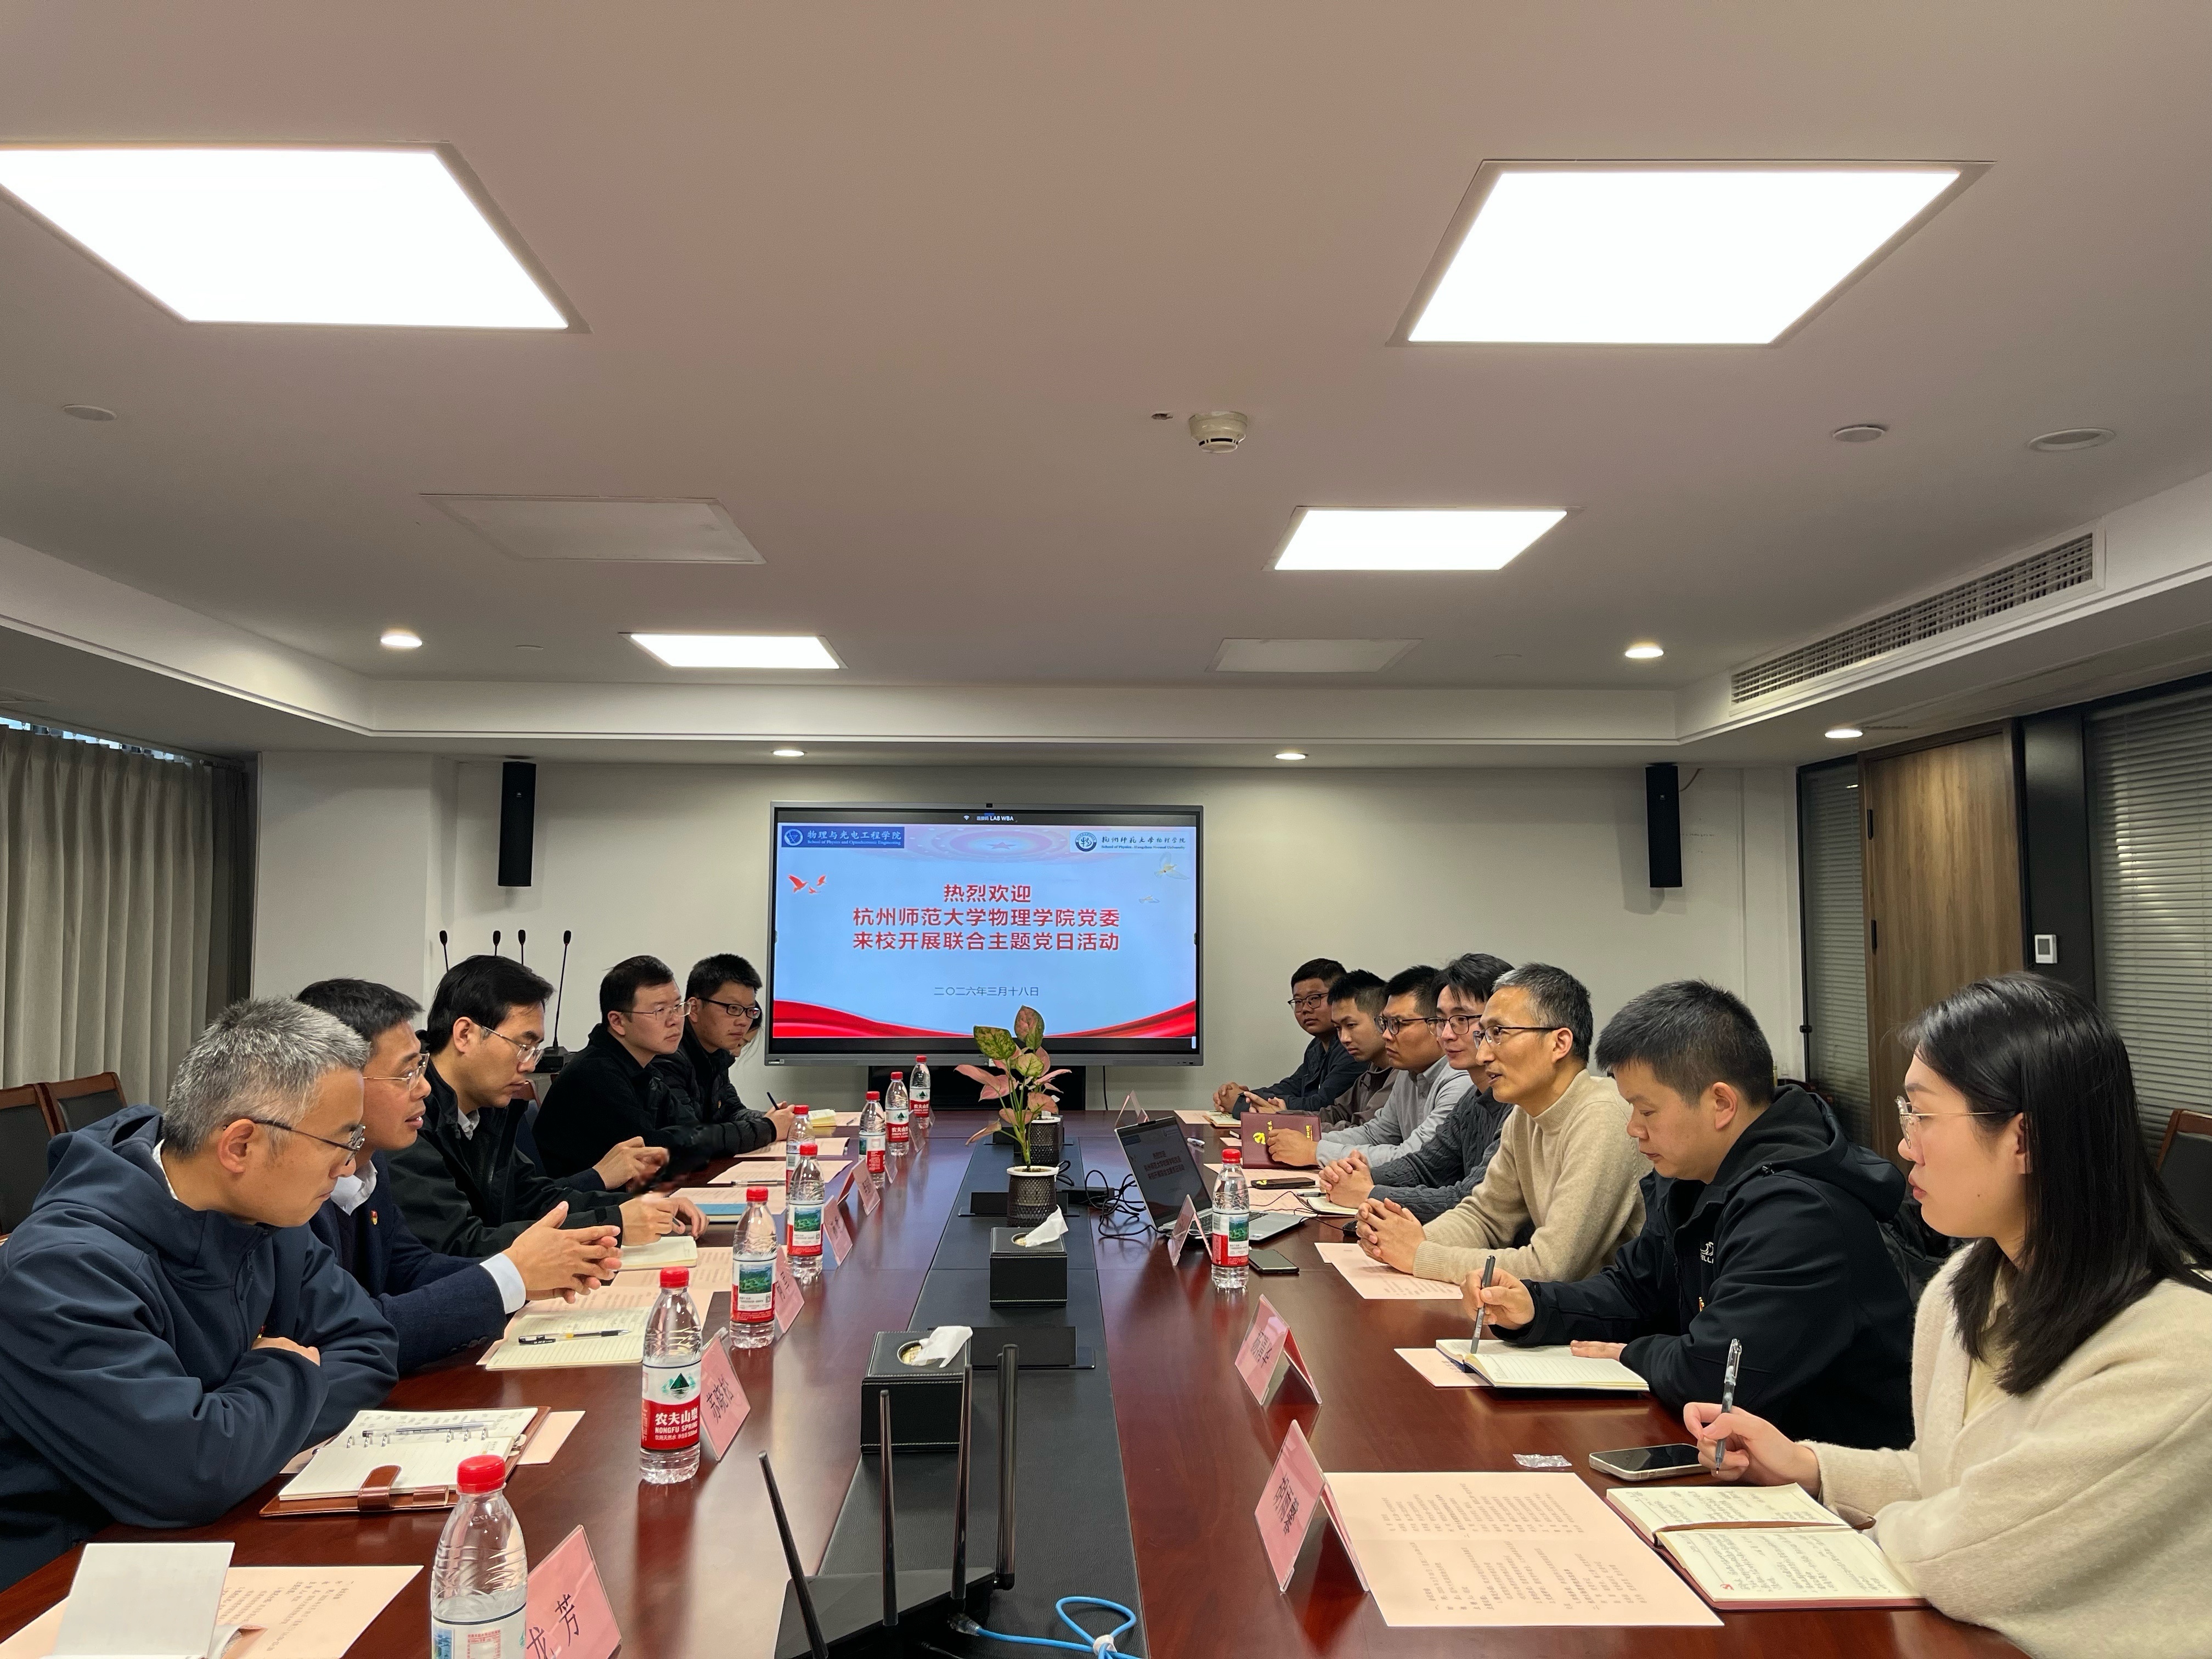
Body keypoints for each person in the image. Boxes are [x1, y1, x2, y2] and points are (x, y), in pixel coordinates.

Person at [1686, 974, 2211, 1656]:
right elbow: (1949, 1482)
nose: (1906, 1144)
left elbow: (1982, 1553)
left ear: (2024, 1139)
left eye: (1923, 1115)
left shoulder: (2176, 1347)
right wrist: (1810, 1468)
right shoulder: (1965, 1287)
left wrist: (1874, 1528)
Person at [0, 1000, 398, 1588]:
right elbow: (188, 1473)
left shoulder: (267, 1212)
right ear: (240, 1146)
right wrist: (284, 1370)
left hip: (209, 1537)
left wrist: (234, 1422)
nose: (347, 1167)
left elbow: (369, 1346)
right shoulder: (61, 1269)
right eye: (340, 1141)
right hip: (61, 1580)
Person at [1470, 980, 1913, 1448]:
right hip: (1729, 1451)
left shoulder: (1799, 1211)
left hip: (1823, 1474)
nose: (1633, 1129)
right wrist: (1536, 1307)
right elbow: (1635, 1292)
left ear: (1720, 1104)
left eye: (1646, 1111)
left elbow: (1716, 1374)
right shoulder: (1693, 1177)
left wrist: (1632, 1354)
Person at [297, 979, 623, 1372]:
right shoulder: (292, 1196)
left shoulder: (371, 1164)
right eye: (406, 1073)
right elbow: (354, 1329)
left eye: (421, 1067)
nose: (424, 1088)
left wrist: (525, 1276)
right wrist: (509, 1276)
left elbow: (412, 1268)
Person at [388, 956, 702, 1257]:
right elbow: (460, 1245)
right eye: (522, 1046)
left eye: (535, 1050)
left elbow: (531, 1199)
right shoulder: (408, 1118)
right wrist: (615, 1222)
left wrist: (637, 1207)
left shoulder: (486, 1108)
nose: (529, 1065)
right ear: (465, 1035)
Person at [1357, 962, 1645, 1285]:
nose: (1483, 1055)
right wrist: (1407, 1240)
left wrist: (1421, 1255)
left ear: (1559, 1043)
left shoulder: (1600, 1115)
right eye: (1484, 1035)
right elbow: (1485, 1218)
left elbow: (1552, 1267)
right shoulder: (1526, 1114)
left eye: (1498, 1034)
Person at [536, 954, 792, 1178]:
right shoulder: (597, 1075)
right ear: (618, 1022)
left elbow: (693, 1135)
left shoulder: (643, 1069)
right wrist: (767, 1128)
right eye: (659, 1011)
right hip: (576, 1210)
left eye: (677, 1007)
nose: (675, 1021)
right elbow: (657, 1153)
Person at [1319, 953, 1513, 1221]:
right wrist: (1357, 1178)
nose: (1446, 1034)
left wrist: (1369, 1191)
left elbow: (1472, 1200)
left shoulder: (1516, 1103)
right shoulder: (1473, 1097)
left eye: (1461, 1020)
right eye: (1441, 1021)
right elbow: (1424, 1166)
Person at [1314, 967, 1469, 1167]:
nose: (1386, 1035)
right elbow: (1375, 1134)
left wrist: (1315, 1151)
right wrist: (1310, 1141)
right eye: (1385, 1023)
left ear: (1436, 1024)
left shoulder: (1461, 1080)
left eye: (1398, 1024)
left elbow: (1414, 1158)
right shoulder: (1408, 1072)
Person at [1211, 957, 1364, 1116]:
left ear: (1339, 998)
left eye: (1314, 999)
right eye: (1298, 1001)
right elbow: (1291, 1087)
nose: (1305, 1009)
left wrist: (1240, 1102)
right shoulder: (1316, 1046)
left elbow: (1321, 1106)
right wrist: (1246, 1096)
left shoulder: (1352, 1047)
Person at [1318, 969, 1392, 1127]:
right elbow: (1336, 1113)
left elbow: (1366, 1132)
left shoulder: (1404, 1074)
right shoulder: (1371, 1072)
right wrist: (1283, 1116)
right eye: (1338, 1028)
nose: (1344, 1038)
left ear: (1382, 1020)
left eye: (1351, 1025)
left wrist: (1299, 1128)